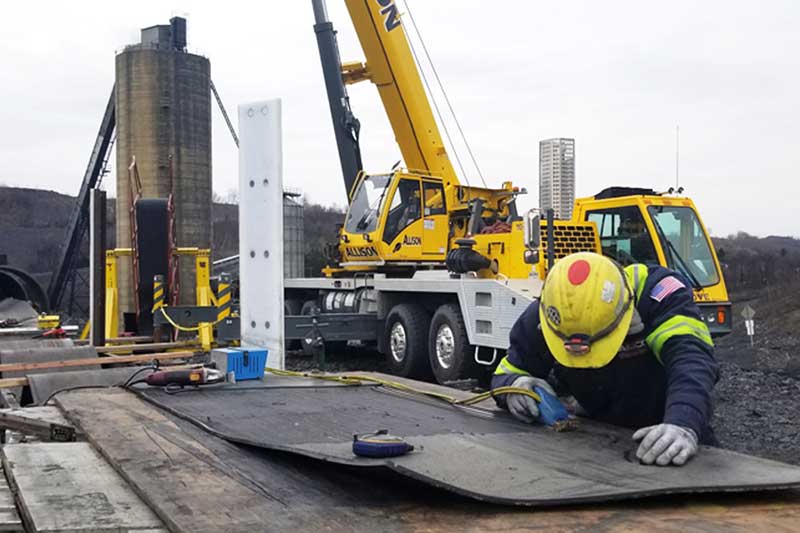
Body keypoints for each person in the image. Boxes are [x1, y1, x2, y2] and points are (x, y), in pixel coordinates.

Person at [492, 251, 718, 466]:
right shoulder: (550, 312)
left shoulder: (657, 294)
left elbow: (691, 361)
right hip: (597, 439)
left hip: (668, 429)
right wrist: (514, 386)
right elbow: (507, 372)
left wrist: (683, 422)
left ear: (627, 313)